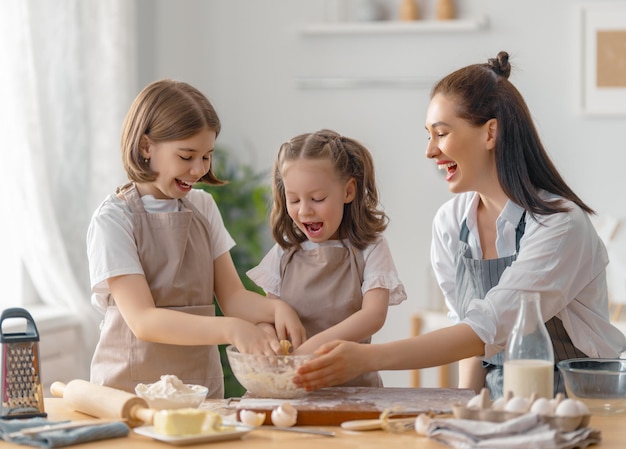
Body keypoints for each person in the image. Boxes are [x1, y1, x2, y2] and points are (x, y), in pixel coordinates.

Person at [293, 52, 626, 398]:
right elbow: (472, 340)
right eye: (428, 136)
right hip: (502, 405)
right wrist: (468, 414)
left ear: (490, 133)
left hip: (583, 405)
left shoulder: (559, 225)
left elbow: (485, 329)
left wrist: (367, 358)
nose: (430, 151)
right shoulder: (451, 223)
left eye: (441, 134)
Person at [87, 79, 305, 396]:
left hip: (199, 393)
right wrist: (232, 329)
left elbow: (232, 297)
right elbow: (143, 321)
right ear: (146, 147)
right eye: (187, 156)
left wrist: (277, 311)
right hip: (129, 395)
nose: (198, 170)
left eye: (206, 156)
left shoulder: (203, 206)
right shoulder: (114, 219)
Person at [247, 129, 406, 387]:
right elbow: (269, 317)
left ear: (348, 191)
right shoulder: (283, 253)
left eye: (317, 198)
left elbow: (373, 316)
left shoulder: (370, 248)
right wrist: (270, 344)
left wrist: (313, 347)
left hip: (356, 390)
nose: (305, 210)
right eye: (294, 199)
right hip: (297, 387)